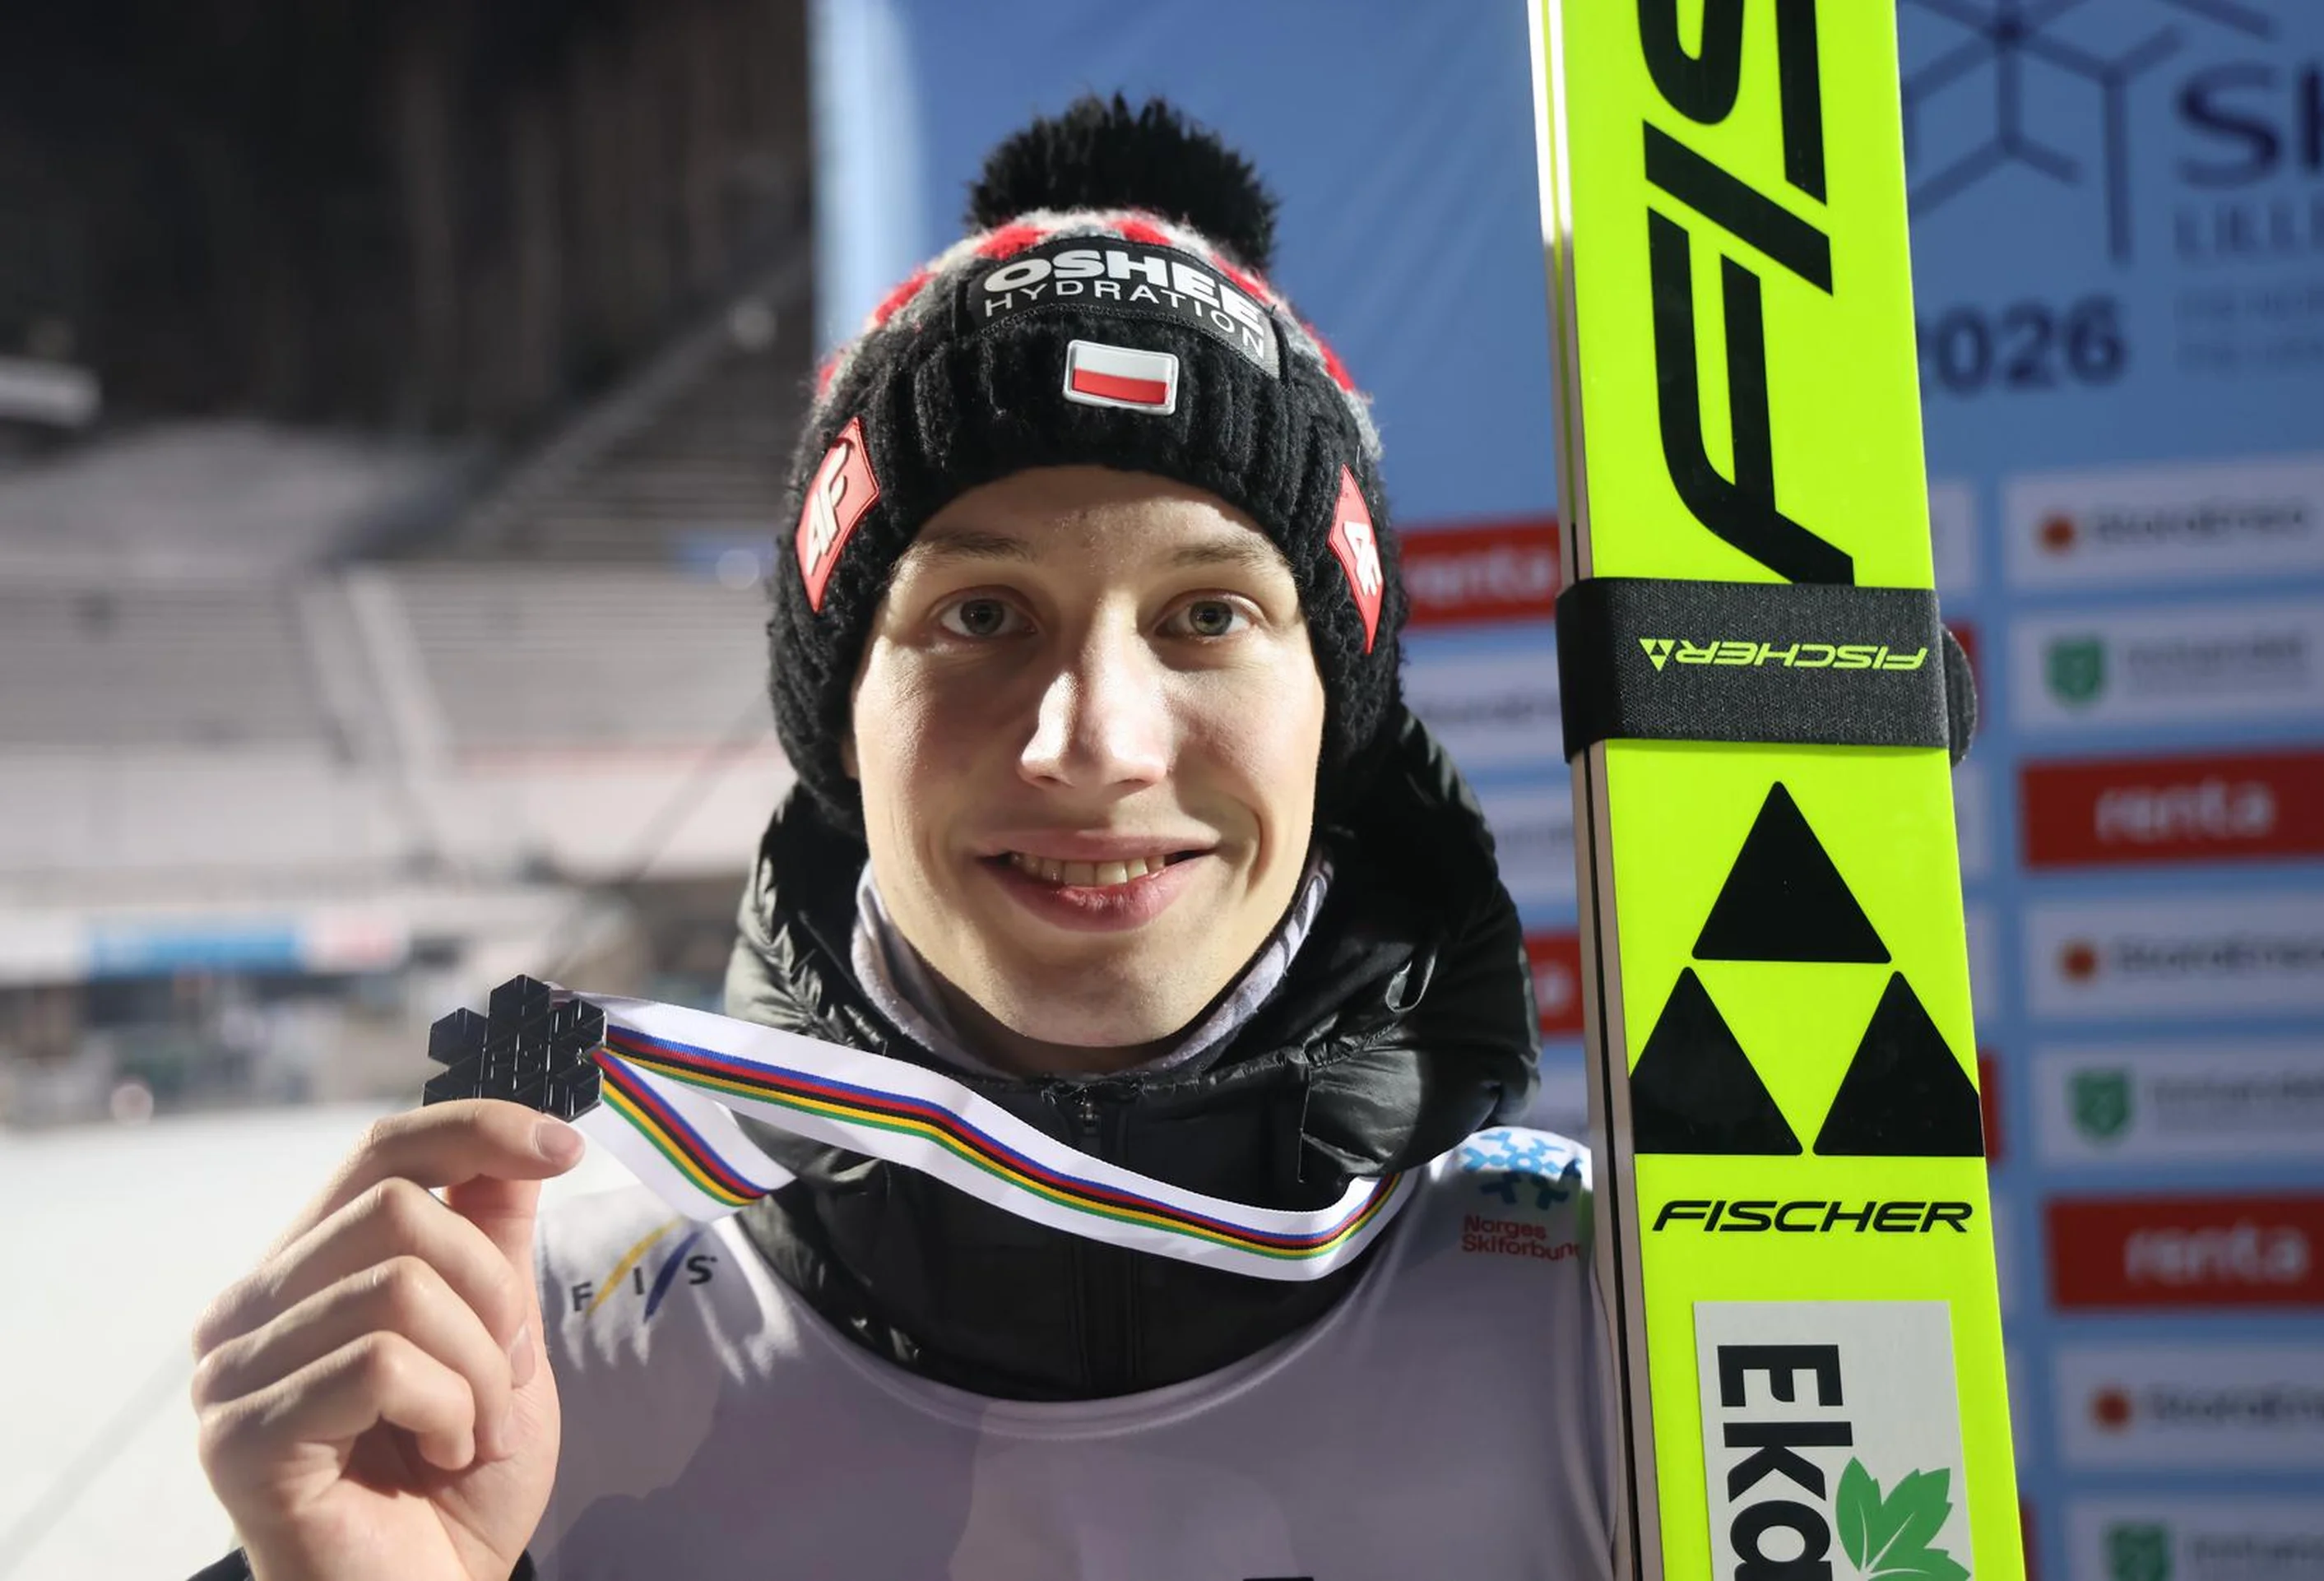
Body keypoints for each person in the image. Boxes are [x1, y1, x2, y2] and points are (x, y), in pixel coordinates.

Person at [187, 95, 1615, 1580]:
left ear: (1341, 712)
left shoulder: (1619, 1316)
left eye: (1208, 614)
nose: (1095, 741)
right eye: (980, 615)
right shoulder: (510, 1377)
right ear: (838, 725)